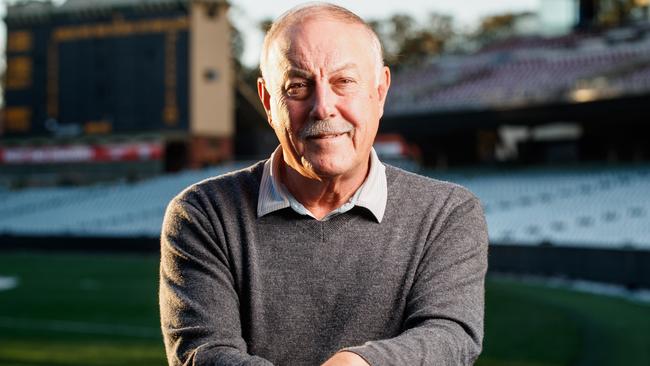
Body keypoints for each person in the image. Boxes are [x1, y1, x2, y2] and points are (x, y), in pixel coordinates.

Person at [159, 3, 488, 366]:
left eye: (344, 82)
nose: (323, 107)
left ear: (380, 91)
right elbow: (204, 352)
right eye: (298, 86)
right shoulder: (203, 213)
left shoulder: (447, 213)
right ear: (269, 101)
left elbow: (450, 335)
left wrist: (360, 364)